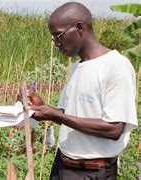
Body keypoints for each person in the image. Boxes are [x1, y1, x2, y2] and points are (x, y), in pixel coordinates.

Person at [27, 2, 137, 179]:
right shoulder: (77, 67)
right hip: (63, 166)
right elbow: (67, 113)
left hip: (93, 172)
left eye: (59, 36)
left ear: (79, 28)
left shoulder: (116, 66)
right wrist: (42, 107)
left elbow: (114, 129)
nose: (56, 43)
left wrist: (56, 116)